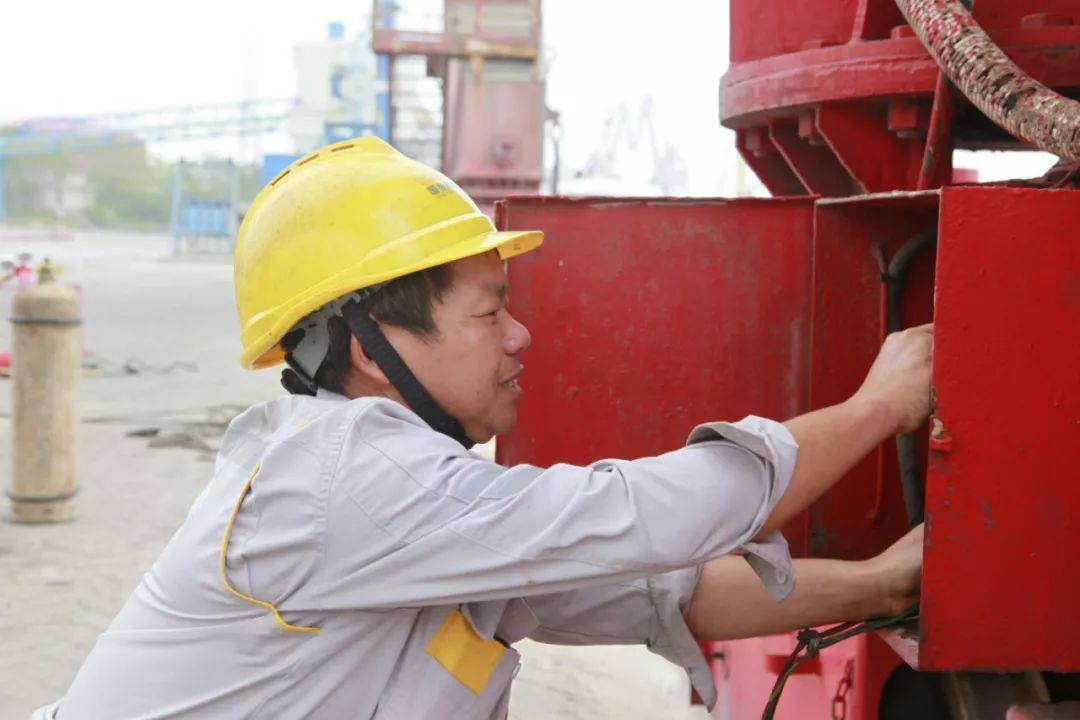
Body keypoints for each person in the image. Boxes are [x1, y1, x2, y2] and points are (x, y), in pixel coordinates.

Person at [39, 138, 931, 719]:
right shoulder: (342, 476)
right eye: (488, 312)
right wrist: (877, 407)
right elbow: (633, 515)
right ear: (368, 347)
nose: (520, 336)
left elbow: (658, 592)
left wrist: (882, 582)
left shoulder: (411, 509)